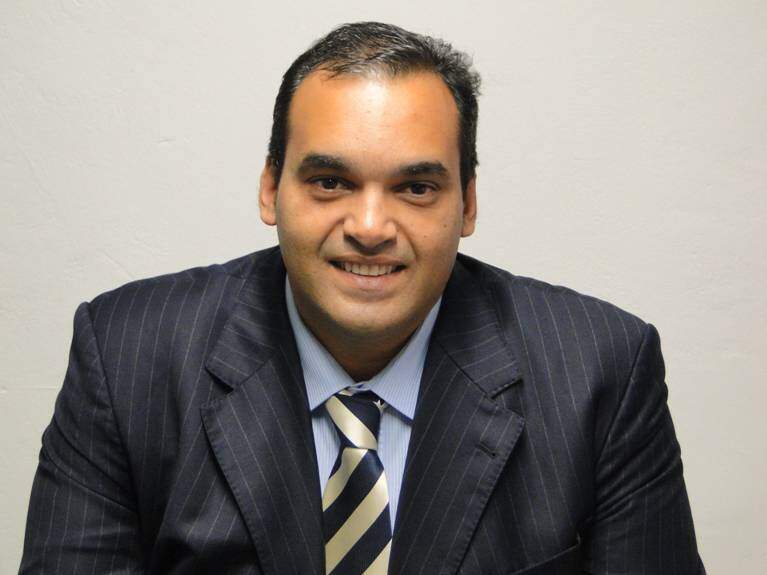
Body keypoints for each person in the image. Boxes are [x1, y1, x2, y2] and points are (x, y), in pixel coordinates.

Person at [20, 21, 705, 574]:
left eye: (415, 188)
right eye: (330, 182)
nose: (371, 227)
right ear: (270, 189)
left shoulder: (601, 371)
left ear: (467, 204)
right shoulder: (126, 356)